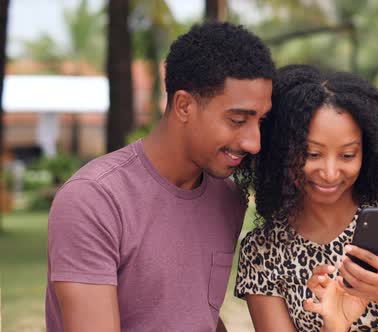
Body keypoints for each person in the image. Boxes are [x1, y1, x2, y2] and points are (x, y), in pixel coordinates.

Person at [45, 22, 275, 332]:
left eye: (260, 121)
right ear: (184, 105)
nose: (254, 142)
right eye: (237, 120)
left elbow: (193, 314)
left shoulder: (227, 198)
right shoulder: (94, 199)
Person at [234, 65, 378, 331]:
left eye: (348, 155)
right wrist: (335, 324)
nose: (330, 173)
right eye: (312, 154)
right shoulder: (264, 251)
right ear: (280, 151)